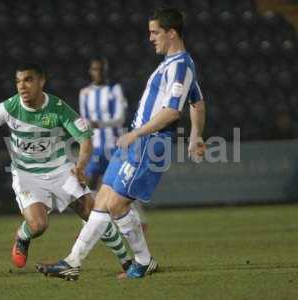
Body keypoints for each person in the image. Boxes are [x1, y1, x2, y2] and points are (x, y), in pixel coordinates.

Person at [35, 7, 206, 280]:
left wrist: (138, 134)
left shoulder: (180, 66)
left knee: (113, 204)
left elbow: (173, 111)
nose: (150, 38)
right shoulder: (172, 66)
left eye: (155, 32)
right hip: (136, 140)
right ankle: (142, 261)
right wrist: (196, 135)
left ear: (171, 33)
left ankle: (73, 262)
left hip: (150, 142)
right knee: (105, 200)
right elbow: (196, 101)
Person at [0, 62, 132, 271]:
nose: (22, 86)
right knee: (38, 226)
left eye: (28, 80)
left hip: (60, 170)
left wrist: (80, 166)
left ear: (41, 81)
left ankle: (127, 262)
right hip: (26, 174)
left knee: (94, 213)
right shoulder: (9, 107)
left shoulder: (58, 108)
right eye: (18, 81)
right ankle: (23, 237)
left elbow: (85, 139)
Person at [79, 56, 148, 232]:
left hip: (115, 145)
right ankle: (88, 226)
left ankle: (141, 220)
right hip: (95, 146)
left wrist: (99, 124)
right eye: (95, 69)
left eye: (101, 69)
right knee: (89, 184)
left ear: (106, 70)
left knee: (122, 183)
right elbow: (83, 119)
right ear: (90, 71)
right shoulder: (85, 93)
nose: (98, 72)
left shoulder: (115, 90)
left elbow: (120, 117)